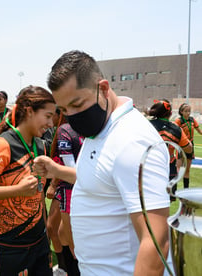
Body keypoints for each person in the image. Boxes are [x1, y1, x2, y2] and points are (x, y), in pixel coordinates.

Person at [33, 50, 171, 275]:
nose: (72, 116)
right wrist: (57, 170)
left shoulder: (132, 140)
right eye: (65, 110)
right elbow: (103, 179)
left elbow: (156, 242)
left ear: (104, 89)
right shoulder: (102, 128)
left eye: (77, 104)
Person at [0, 85, 56, 276]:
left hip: (39, 241)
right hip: (7, 244)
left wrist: (46, 233)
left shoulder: (40, 145)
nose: (51, 123)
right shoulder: (2, 144)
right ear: (29, 111)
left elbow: (38, 194)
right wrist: (17, 190)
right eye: (48, 116)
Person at [48, 120, 83, 276]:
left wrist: (53, 183)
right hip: (79, 188)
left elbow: (69, 169)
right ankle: (65, 268)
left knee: (71, 240)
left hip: (71, 188)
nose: (48, 121)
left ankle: (73, 269)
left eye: (50, 115)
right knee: (61, 232)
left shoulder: (65, 130)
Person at [149, 100, 192, 182]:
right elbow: (189, 148)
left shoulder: (145, 125)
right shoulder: (176, 129)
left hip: (149, 166)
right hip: (169, 168)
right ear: (170, 114)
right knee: (169, 193)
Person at [174, 103, 202, 188]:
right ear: (181, 112)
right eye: (186, 111)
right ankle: (173, 189)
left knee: (187, 170)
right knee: (178, 169)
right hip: (181, 146)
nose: (188, 113)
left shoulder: (192, 120)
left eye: (189, 111)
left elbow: (199, 131)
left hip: (190, 146)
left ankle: (186, 190)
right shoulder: (178, 121)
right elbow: (174, 132)